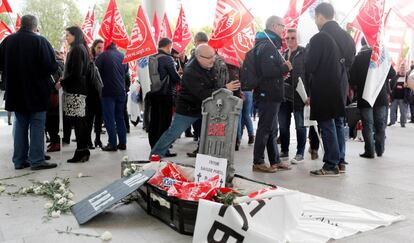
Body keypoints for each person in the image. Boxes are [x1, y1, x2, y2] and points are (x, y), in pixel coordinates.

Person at [150, 44, 240, 158]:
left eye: (214, 56)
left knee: (210, 135)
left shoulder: (211, 64)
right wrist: (225, 88)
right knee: (172, 134)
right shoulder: (190, 71)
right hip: (188, 109)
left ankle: (206, 158)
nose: (213, 59)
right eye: (209, 57)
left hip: (206, 108)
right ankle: (155, 156)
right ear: (199, 57)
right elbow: (203, 94)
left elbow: (213, 86)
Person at [0, 15, 58, 170]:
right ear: (35, 26)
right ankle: (37, 160)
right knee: (37, 125)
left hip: (15, 92)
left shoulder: (8, 41)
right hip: (37, 92)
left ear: (21, 24)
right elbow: (51, 67)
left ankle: (19, 161)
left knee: (20, 126)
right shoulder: (41, 41)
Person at [306, 2, 355, 176]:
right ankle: (340, 161)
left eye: (315, 18)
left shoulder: (319, 37)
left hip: (325, 83)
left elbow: (310, 65)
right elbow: (351, 60)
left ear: (320, 16)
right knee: (338, 121)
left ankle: (331, 164)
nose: (315, 21)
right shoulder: (346, 36)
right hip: (341, 82)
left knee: (326, 121)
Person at [252, 16, 293, 173]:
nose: (284, 29)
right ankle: (258, 161)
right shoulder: (267, 45)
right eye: (282, 26)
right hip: (268, 93)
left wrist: (281, 73)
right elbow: (267, 71)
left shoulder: (268, 44)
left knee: (272, 128)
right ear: (275, 26)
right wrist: (284, 68)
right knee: (265, 127)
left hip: (271, 92)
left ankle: (275, 159)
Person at [349, 39, 394, 158]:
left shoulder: (358, 58)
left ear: (363, 43)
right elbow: (392, 74)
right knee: (380, 124)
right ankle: (380, 149)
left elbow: (352, 79)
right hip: (380, 96)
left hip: (365, 96)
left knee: (367, 125)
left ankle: (369, 151)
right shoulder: (381, 56)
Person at [55, 26, 91, 163]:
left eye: (68, 35)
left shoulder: (76, 49)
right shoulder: (81, 48)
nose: (66, 37)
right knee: (79, 120)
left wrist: (62, 82)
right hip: (78, 90)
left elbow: (76, 72)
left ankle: (81, 151)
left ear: (75, 35)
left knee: (78, 121)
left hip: (76, 90)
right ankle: (83, 150)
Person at [146, 38, 181, 157]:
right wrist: (180, 75)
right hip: (166, 94)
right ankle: (162, 149)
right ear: (168, 46)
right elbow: (175, 78)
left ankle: (153, 147)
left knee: (154, 122)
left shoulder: (152, 57)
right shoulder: (168, 58)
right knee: (165, 123)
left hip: (154, 93)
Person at [278, 28, 307, 164]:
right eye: (287, 38)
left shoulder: (304, 52)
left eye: (293, 38)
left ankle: (300, 153)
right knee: (283, 125)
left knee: (300, 125)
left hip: (299, 95)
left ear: (298, 38)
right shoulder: (282, 54)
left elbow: (310, 75)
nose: (290, 40)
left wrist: (309, 94)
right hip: (283, 94)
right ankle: (284, 150)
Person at [95, 42, 129, 151]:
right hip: (121, 91)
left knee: (109, 118)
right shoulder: (123, 56)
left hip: (107, 91)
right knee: (120, 118)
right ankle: (123, 143)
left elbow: (95, 72)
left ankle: (112, 143)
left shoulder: (102, 56)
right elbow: (126, 71)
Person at [86, 39, 105, 149]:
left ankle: (97, 139)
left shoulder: (103, 59)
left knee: (99, 118)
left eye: (102, 48)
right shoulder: (89, 60)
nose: (100, 50)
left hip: (100, 93)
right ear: (93, 48)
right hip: (90, 93)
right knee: (89, 118)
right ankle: (88, 140)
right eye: (98, 48)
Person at [45, 50, 65, 152]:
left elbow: (55, 80)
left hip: (53, 95)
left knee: (51, 121)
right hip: (55, 95)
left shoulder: (53, 66)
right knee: (51, 121)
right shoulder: (56, 65)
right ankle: (54, 142)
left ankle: (56, 142)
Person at [389, 63, 410, 127]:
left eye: (404, 68)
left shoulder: (408, 78)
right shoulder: (395, 77)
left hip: (403, 98)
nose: (402, 70)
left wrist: (407, 86)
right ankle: (392, 122)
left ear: (406, 70)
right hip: (394, 97)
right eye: (401, 68)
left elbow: (412, 87)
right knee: (392, 110)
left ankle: (403, 123)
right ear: (399, 69)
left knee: (403, 112)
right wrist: (390, 93)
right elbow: (390, 86)